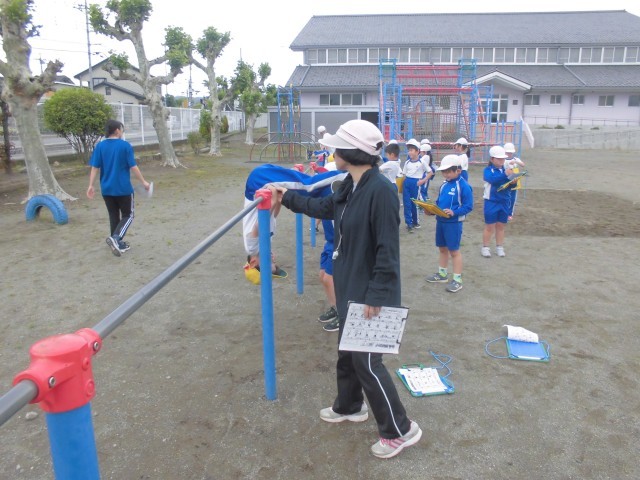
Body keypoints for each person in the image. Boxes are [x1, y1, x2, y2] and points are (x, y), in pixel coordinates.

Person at [268, 119, 421, 459]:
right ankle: (350, 406)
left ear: (351, 153)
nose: (332, 153)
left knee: (368, 363)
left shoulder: (381, 190)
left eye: (337, 148)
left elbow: (388, 250)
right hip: (350, 281)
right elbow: (323, 208)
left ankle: (400, 430)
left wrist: (376, 295)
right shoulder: (349, 185)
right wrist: (287, 197)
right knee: (348, 353)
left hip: (372, 291)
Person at [242, 164, 346, 284]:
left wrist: (274, 199)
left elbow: (260, 222)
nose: (273, 259)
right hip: (259, 180)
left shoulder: (252, 248)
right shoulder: (266, 242)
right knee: (300, 185)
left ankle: (346, 175)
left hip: (258, 183)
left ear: (253, 262)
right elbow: (273, 216)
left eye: (270, 262)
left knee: (308, 187)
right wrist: (278, 200)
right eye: (274, 262)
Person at [87, 119, 150, 257]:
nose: (122, 132)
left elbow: (95, 167)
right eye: (121, 129)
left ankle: (115, 242)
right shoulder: (125, 146)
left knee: (113, 215)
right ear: (117, 131)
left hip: (106, 189)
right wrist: (144, 182)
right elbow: (133, 166)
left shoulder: (100, 146)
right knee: (128, 215)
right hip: (123, 188)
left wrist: (91, 185)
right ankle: (116, 239)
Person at [424, 154, 474, 293]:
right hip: (440, 222)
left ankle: (457, 280)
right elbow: (439, 203)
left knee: (454, 251)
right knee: (442, 248)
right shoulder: (444, 185)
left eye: (448, 171)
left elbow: (468, 206)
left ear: (458, 170)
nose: (445, 174)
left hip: (454, 224)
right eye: (443, 172)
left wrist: (454, 212)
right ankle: (442, 274)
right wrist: (431, 210)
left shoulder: (464, 186)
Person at [481, 145, 516, 258]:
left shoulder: (506, 170)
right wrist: (505, 174)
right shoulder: (488, 170)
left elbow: (511, 186)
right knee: (489, 226)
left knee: (501, 226)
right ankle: (485, 247)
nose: (502, 161)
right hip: (491, 201)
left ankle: (499, 247)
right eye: (499, 159)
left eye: (503, 159)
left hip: (504, 201)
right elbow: (492, 180)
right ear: (492, 159)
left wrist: (513, 181)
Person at [401, 138, 429, 232]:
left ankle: (415, 222)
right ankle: (408, 223)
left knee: (414, 203)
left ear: (417, 151)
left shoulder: (422, 162)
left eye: (411, 150)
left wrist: (423, 181)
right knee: (406, 204)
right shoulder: (407, 162)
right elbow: (404, 175)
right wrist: (402, 186)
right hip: (407, 183)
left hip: (416, 184)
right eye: (409, 150)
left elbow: (430, 172)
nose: (409, 152)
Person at [503, 142, 526, 220]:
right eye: (508, 152)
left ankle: (509, 213)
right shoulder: (502, 159)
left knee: (512, 198)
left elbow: (523, 164)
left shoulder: (515, 159)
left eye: (510, 152)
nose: (509, 154)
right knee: (504, 196)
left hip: (514, 180)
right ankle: (504, 212)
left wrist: (515, 162)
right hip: (505, 179)